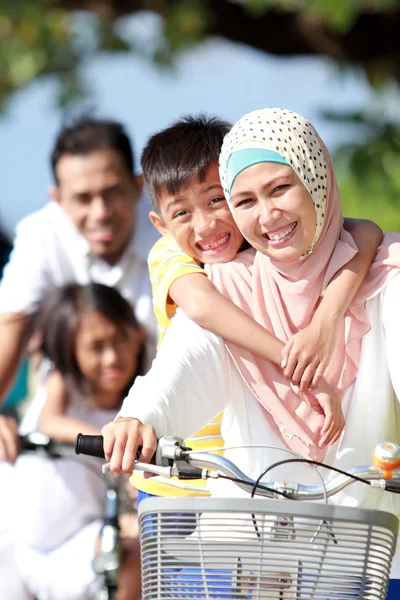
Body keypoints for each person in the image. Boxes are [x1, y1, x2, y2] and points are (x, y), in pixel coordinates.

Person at [102, 108, 400, 593]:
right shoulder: (225, 284)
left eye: (281, 189)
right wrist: (139, 417)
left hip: (369, 559)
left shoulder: (386, 274)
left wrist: (328, 316)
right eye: (245, 200)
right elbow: (184, 363)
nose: (267, 216)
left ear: (317, 178)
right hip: (253, 553)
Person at [0, 116, 158, 463]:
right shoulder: (40, 236)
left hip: (163, 434)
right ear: (56, 199)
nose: (99, 213)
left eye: (112, 193)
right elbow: (10, 326)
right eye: (83, 199)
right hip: (66, 443)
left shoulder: (171, 227)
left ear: (137, 186)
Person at [14, 283, 144, 600]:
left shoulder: (139, 404)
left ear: (138, 335)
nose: (112, 356)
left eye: (120, 339)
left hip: (88, 537)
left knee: (138, 556)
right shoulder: (62, 384)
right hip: (28, 549)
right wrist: (113, 443)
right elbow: (50, 421)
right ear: (70, 349)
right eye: (96, 347)